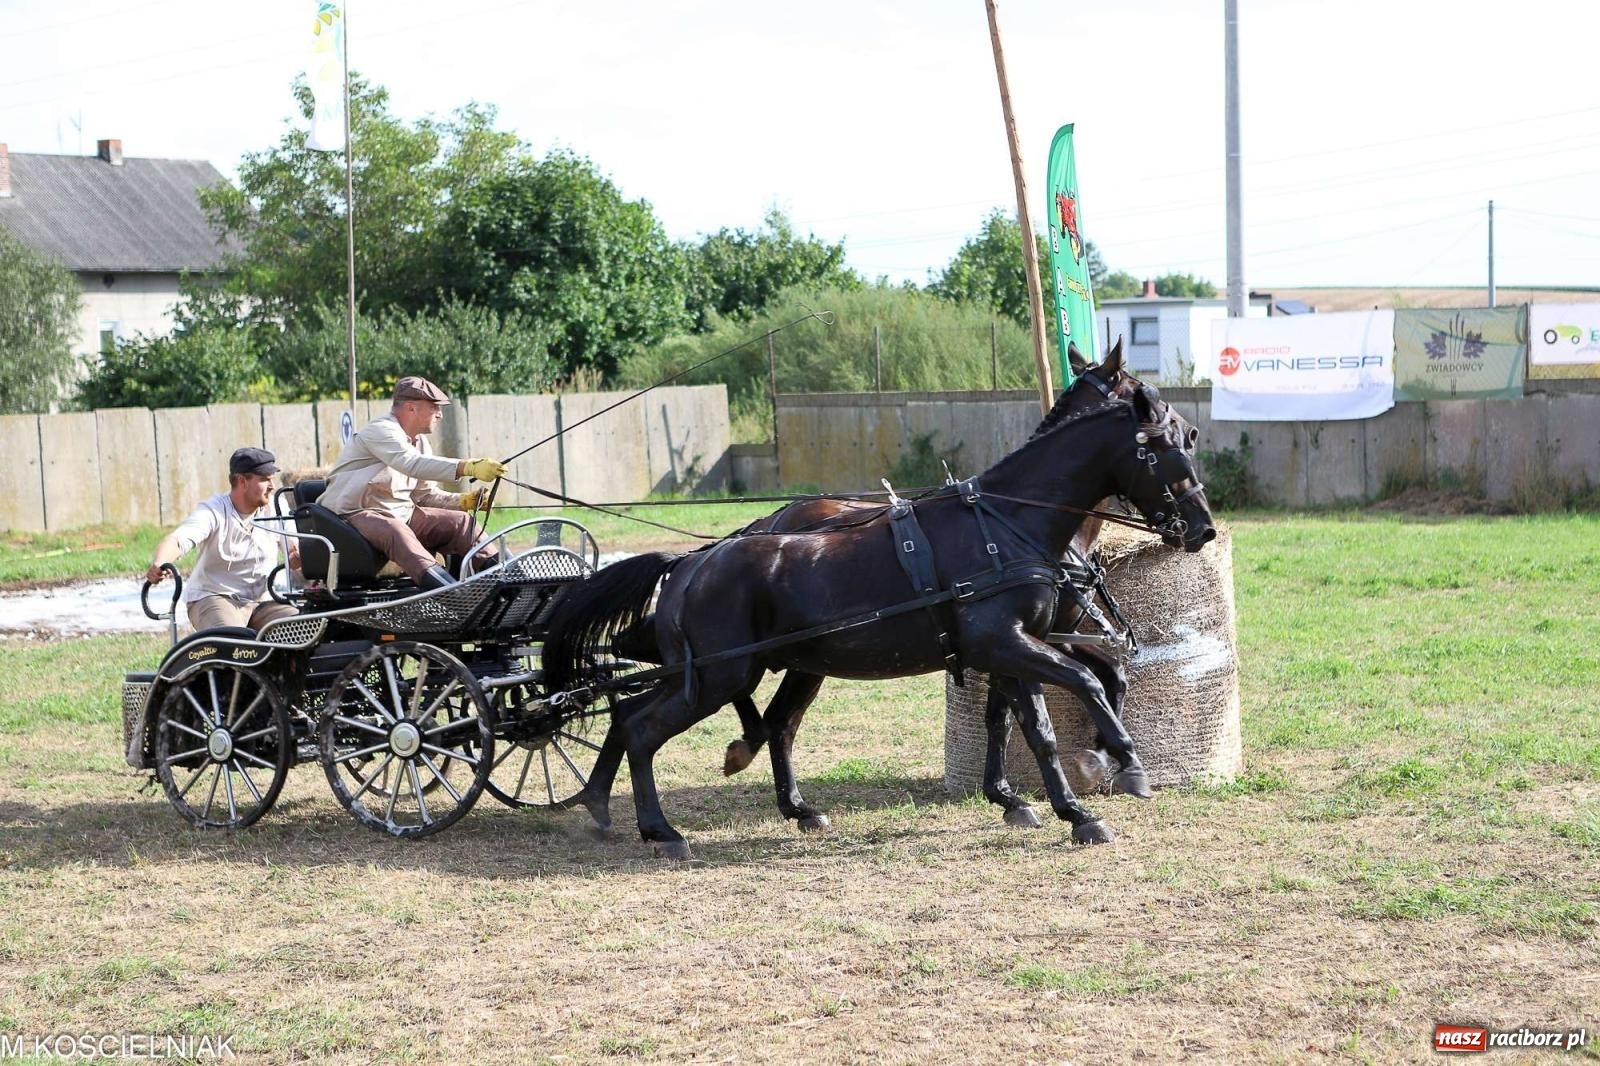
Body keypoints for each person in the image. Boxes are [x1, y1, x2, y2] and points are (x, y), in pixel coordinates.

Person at [318, 376, 507, 590]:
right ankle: (448, 592)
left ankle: (509, 577)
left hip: (400, 513)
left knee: (462, 523)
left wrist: (463, 501)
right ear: (411, 408)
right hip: (354, 513)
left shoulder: (421, 443)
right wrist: (467, 467)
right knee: (396, 530)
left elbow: (423, 496)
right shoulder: (381, 430)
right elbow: (411, 463)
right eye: (435, 407)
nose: (440, 414)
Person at [146, 447, 301, 632]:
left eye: (272, 479)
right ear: (242, 481)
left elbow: (295, 549)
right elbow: (178, 540)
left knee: (300, 629)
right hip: (214, 597)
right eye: (264, 479)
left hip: (262, 601)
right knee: (234, 640)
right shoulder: (214, 511)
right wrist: (159, 562)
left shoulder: (276, 508)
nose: (272, 486)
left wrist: (298, 558)